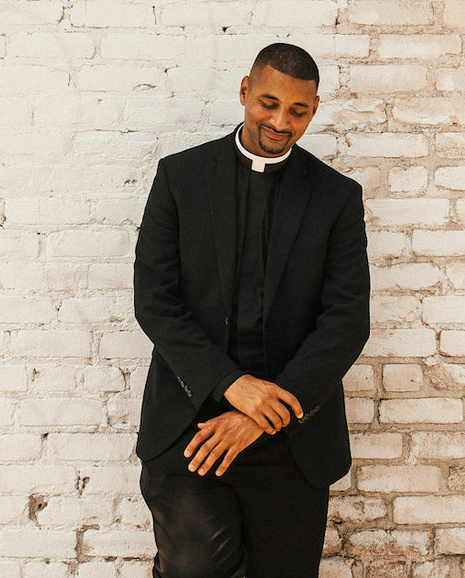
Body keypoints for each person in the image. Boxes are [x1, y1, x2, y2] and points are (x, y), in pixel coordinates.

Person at [133, 42, 370, 578]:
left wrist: (260, 415)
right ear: (244, 91)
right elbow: (154, 299)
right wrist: (232, 386)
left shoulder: (336, 197)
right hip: (190, 430)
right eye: (268, 103)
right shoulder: (180, 177)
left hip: (292, 440)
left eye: (298, 111)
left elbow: (346, 322)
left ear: (313, 109)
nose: (280, 121)